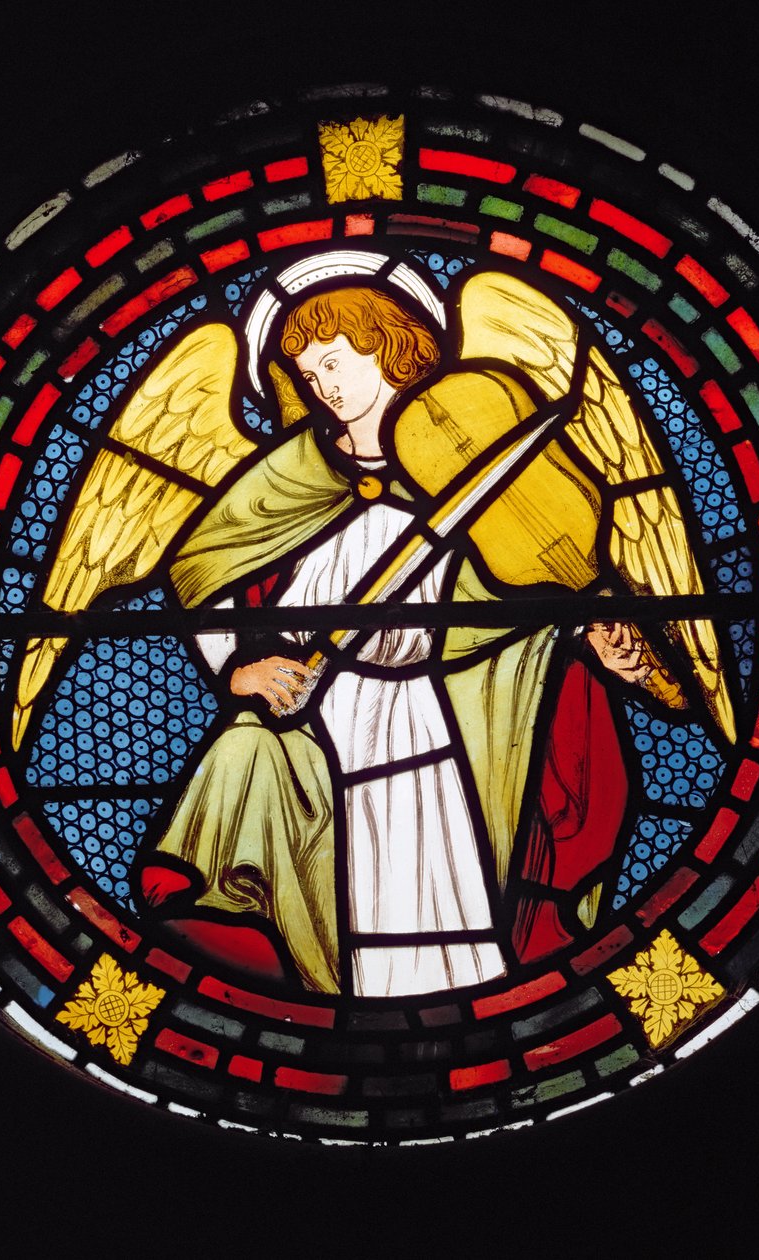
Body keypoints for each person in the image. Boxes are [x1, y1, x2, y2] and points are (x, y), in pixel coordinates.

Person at [139, 287, 640, 996]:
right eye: (309, 374)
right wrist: (236, 671)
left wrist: (588, 635)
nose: (324, 386)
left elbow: (516, 591)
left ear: (390, 349)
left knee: (431, 885)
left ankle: (456, 1020)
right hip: (317, 707)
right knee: (276, 798)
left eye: (335, 362)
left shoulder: (463, 453)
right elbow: (201, 572)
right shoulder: (294, 470)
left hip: (426, 712)